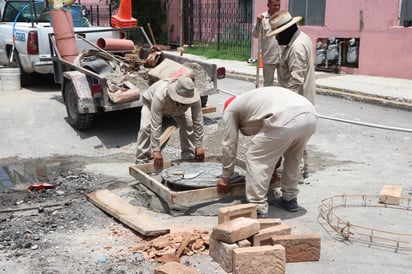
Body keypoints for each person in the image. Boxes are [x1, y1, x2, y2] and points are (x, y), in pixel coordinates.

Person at [216, 87, 318, 217]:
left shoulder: (230, 110)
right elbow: (276, 144)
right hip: (310, 115)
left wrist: (226, 176)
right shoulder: (253, 102)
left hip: (285, 116)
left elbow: (229, 144)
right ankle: (290, 199)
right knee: (294, 158)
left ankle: (257, 207)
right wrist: (273, 168)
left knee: (255, 158)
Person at [267, 10, 316, 178]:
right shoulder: (302, 38)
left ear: (287, 30)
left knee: (293, 141)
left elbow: (296, 80)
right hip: (300, 100)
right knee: (299, 139)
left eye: (278, 35)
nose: (276, 39)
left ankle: (295, 175)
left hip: (297, 101)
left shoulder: (296, 48)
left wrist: (284, 106)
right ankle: (303, 171)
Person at [135, 76, 205, 169]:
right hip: (151, 103)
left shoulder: (194, 97)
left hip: (177, 109)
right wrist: (156, 150)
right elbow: (156, 124)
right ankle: (141, 161)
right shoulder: (160, 95)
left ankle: (188, 157)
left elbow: (198, 121)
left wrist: (199, 146)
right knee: (145, 128)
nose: (186, 102)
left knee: (189, 124)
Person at [251, 0, 281, 87]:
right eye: (274, 5)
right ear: (268, 5)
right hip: (269, 57)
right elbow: (255, 34)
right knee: (268, 84)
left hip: (282, 56)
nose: (277, 8)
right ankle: (268, 100)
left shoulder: (283, 17)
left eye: (278, 5)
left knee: (284, 84)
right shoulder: (262, 18)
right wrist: (258, 23)